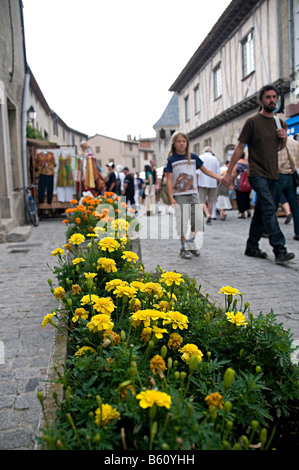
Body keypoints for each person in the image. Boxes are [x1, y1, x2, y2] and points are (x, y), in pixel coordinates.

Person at [222, 84, 295, 264]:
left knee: (262, 210)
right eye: (268, 97)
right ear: (261, 100)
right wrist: (229, 172)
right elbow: (239, 148)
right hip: (256, 173)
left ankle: (252, 246)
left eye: (274, 97)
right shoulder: (252, 122)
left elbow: (280, 148)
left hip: (273, 174)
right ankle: (280, 250)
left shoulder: (281, 123)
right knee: (270, 208)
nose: (272, 100)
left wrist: (284, 138)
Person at [165, 131, 223, 259]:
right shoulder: (171, 160)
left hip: (193, 194)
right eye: (179, 141)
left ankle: (190, 243)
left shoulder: (193, 157)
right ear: (174, 144)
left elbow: (206, 170)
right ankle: (183, 246)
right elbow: (169, 179)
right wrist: (171, 197)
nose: (181, 144)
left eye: (184, 141)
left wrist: (220, 177)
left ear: (187, 143)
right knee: (182, 222)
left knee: (197, 220)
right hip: (179, 195)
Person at [276, 137, 299, 240]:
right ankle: (298, 231)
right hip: (291, 175)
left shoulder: (276, 142)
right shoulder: (295, 143)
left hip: (279, 174)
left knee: (272, 204)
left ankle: (269, 231)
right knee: (294, 205)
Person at [197, 146, 221, 223]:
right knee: (211, 201)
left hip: (202, 182)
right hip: (213, 182)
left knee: (202, 200)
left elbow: (197, 172)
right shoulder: (215, 159)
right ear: (211, 151)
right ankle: (210, 214)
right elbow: (218, 173)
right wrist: (217, 182)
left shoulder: (200, 157)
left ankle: (207, 214)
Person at [231, 152, 252, 218]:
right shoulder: (248, 163)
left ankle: (242, 213)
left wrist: (232, 183)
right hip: (248, 183)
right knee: (247, 197)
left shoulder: (237, 164)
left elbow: (234, 175)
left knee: (240, 198)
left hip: (239, 183)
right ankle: (248, 210)